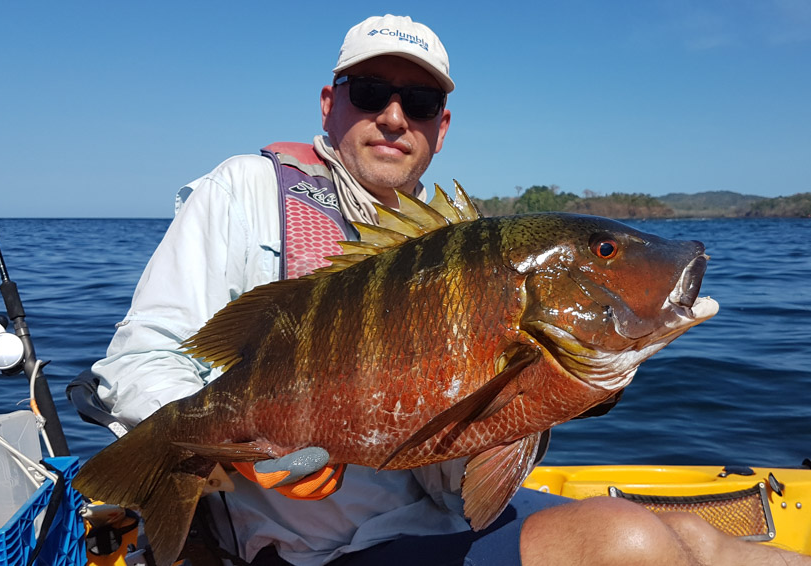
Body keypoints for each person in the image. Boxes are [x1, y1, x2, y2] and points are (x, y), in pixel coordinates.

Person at [91, 13, 811, 566]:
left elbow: (473, 444)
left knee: (701, 537)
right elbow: (138, 361)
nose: (394, 116)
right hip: (330, 548)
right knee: (627, 540)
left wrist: (578, 388)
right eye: (370, 92)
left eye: (421, 99)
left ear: (443, 125)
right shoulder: (244, 192)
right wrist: (247, 452)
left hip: (452, 518)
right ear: (328, 103)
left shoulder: (448, 245)